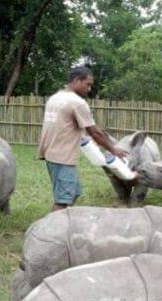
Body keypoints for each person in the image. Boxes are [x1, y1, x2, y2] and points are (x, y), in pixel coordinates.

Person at [38, 66, 130, 211]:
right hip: (62, 157)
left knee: (74, 192)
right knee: (63, 200)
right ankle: (51, 230)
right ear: (76, 80)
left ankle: (67, 222)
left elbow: (64, 126)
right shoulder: (77, 103)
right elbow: (94, 132)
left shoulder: (56, 97)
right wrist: (113, 150)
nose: (89, 89)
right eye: (87, 84)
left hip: (52, 154)